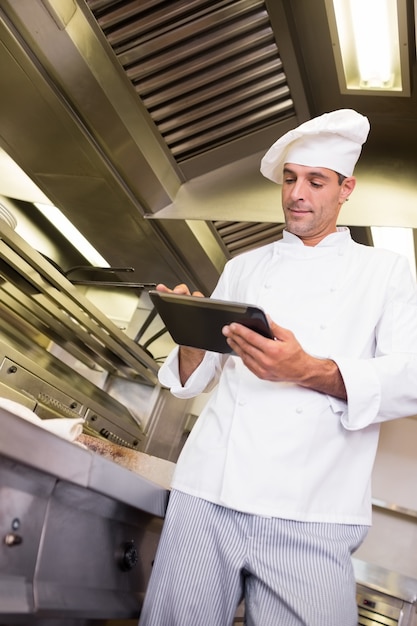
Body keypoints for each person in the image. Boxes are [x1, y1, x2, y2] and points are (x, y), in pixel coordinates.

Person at [138, 109, 417, 626]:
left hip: (312, 510)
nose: (296, 194)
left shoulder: (385, 272)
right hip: (209, 494)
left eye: (315, 181)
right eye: (290, 179)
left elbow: (410, 379)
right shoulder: (244, 267)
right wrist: (189, 334)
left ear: (345, 188)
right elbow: (193, 381)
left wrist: (307, 369)